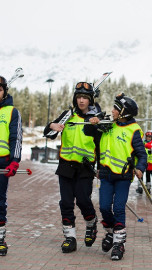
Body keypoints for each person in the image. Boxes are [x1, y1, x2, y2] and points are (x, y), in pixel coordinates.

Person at [44, 81, 102, 253]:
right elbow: (50, 133)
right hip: (66, 166)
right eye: (79, 97)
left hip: (85, 167)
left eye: (85, 97)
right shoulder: (67, 115)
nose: (81, 101)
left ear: (91, 99)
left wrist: (99, 167)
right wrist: (51, 126)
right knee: (66, 203)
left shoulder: (96, 119)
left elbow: (101, 145)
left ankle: (91, 224)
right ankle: (70, 237)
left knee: (83, 200)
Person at [98, 93, 147, 260]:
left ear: (124, 112)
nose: (112, 111)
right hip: (105, 174)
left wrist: (140, 168)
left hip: (123, 177)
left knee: (118, 208)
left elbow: (142, 154)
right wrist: (95, 124)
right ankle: (112, 233)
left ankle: (119, 244)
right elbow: (92, 136)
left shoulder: (133, 130)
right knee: (104, 207)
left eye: (116, 109)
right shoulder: (108, 125)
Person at [0, 76, 22, 256]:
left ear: (4, 92)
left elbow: (16, 138)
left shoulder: (11, 112)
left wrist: (15, 161)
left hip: (2, 162)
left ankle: (0, 239)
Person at [136, 130, 152, 194]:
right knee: (141, 173)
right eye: (147, 136)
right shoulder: (142, 142)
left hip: (149, 161)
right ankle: (140, 187)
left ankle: (148, 188)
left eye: (149, 137)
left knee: (148, 175)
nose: (148, 138)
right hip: (142, 161)